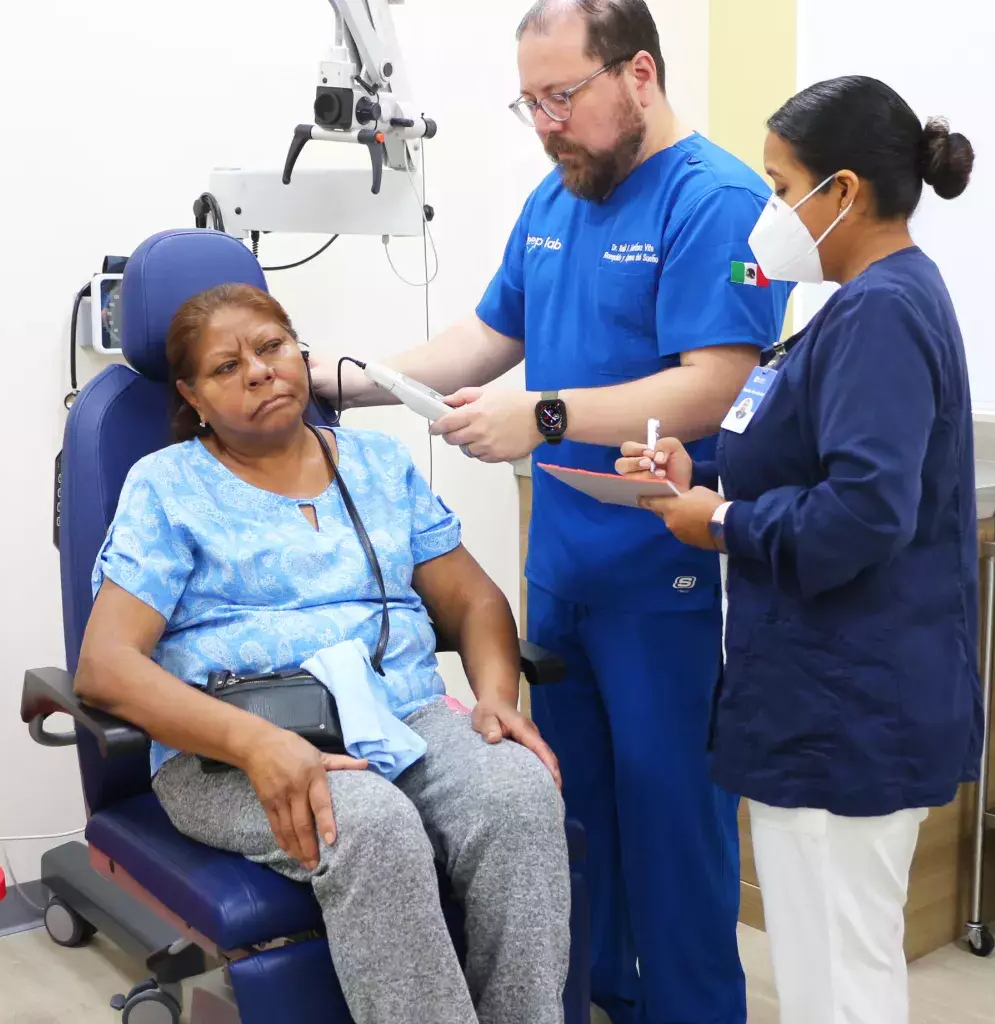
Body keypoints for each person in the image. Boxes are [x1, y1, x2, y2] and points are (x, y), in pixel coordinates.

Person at [318, 3, 790, 1022]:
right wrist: (346, 379)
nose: (545, 122)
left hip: (669, 574)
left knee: (673, 827)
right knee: (570, 819)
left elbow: (715, 380)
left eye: (563, 96)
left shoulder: (719, 203)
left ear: (641, 76)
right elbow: (485, 339)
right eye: (529, 102)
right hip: (567, 571)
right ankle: (597, 998)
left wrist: (547, 412)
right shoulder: (556, 196)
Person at [74, 283, 570, 1024]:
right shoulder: (167, 488)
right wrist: (256, 743)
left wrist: (496, 696)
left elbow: (475, 600)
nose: (259, 372)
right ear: (193, 397)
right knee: (367, 824)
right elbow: (105, 666)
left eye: (271, 348)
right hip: (230, 749)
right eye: (225, 366)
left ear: (300, 353)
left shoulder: (377, 464)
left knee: (518, 795)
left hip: (398, 715)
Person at [617, 76, 981, 1024]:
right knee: (829, 969)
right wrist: (695, 465)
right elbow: (809, 455)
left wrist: (721, 524)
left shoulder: (881, 312)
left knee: (840, 981)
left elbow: (865, 512)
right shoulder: (864, 303)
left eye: (782, 190)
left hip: (848, 710)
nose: (772, 213)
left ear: (844, 192)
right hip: (828, 694)